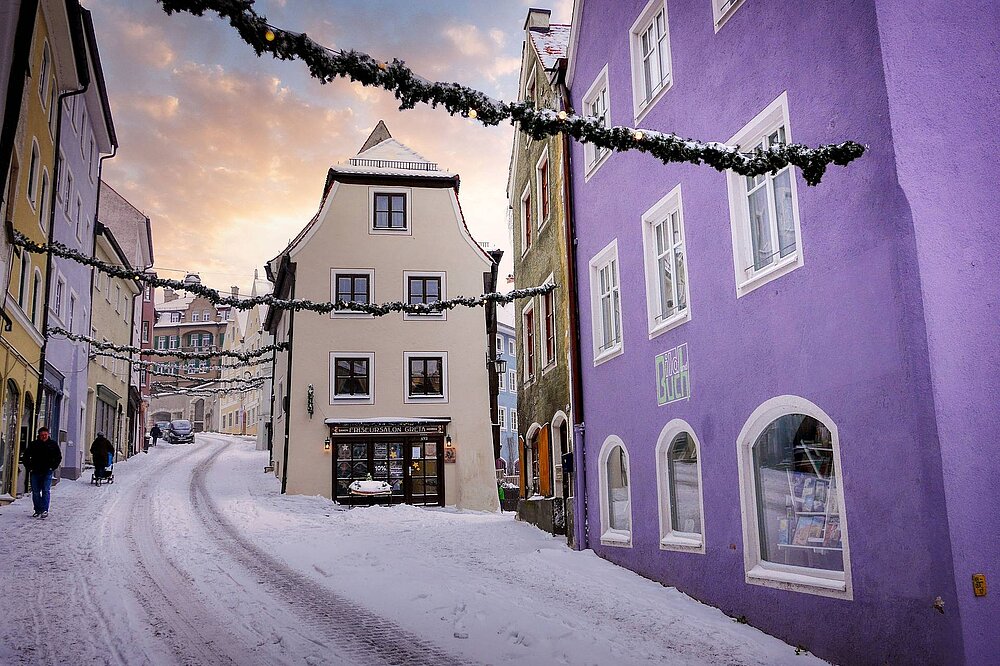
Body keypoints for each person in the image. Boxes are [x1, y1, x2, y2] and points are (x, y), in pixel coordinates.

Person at [24, 426, 62, 518]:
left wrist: (52, 467)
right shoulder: (34, 444)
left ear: (48, 435)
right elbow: (26, 456)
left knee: (45, 490)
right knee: (36, 491)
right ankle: (37, 510)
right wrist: (30, 468)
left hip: (47, 471)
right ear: (39, 435)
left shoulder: (53, 444)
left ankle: (45, 510)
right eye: (42, 435)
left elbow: (58, 457)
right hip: (35, 471)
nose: (44, 436)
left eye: (45, 435)